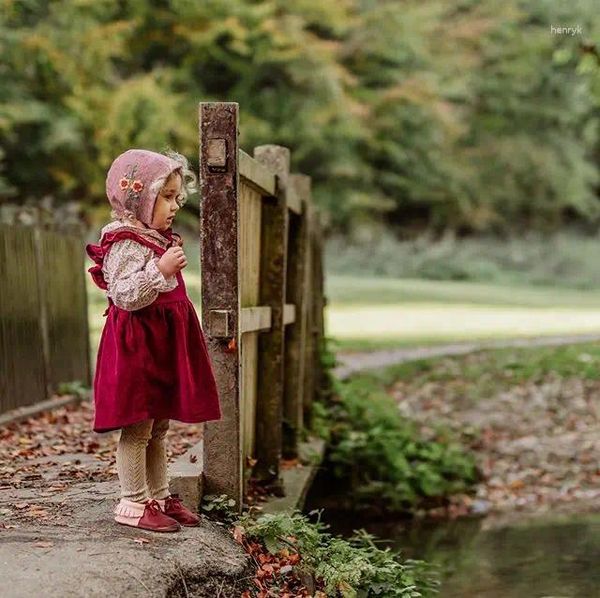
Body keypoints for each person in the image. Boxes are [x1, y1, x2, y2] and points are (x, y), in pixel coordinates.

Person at [86, 148, 221, 533]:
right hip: (137, 349)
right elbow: (124, 295)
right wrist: (158, 271)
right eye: (166, 196)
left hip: (162, 346)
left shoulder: (155, 237)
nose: (175, 205)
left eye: (178, 197)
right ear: (138, 198)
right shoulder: (125, 241)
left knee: (159, 426)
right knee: (138, 426)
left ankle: (158, 496)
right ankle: (132, 502)